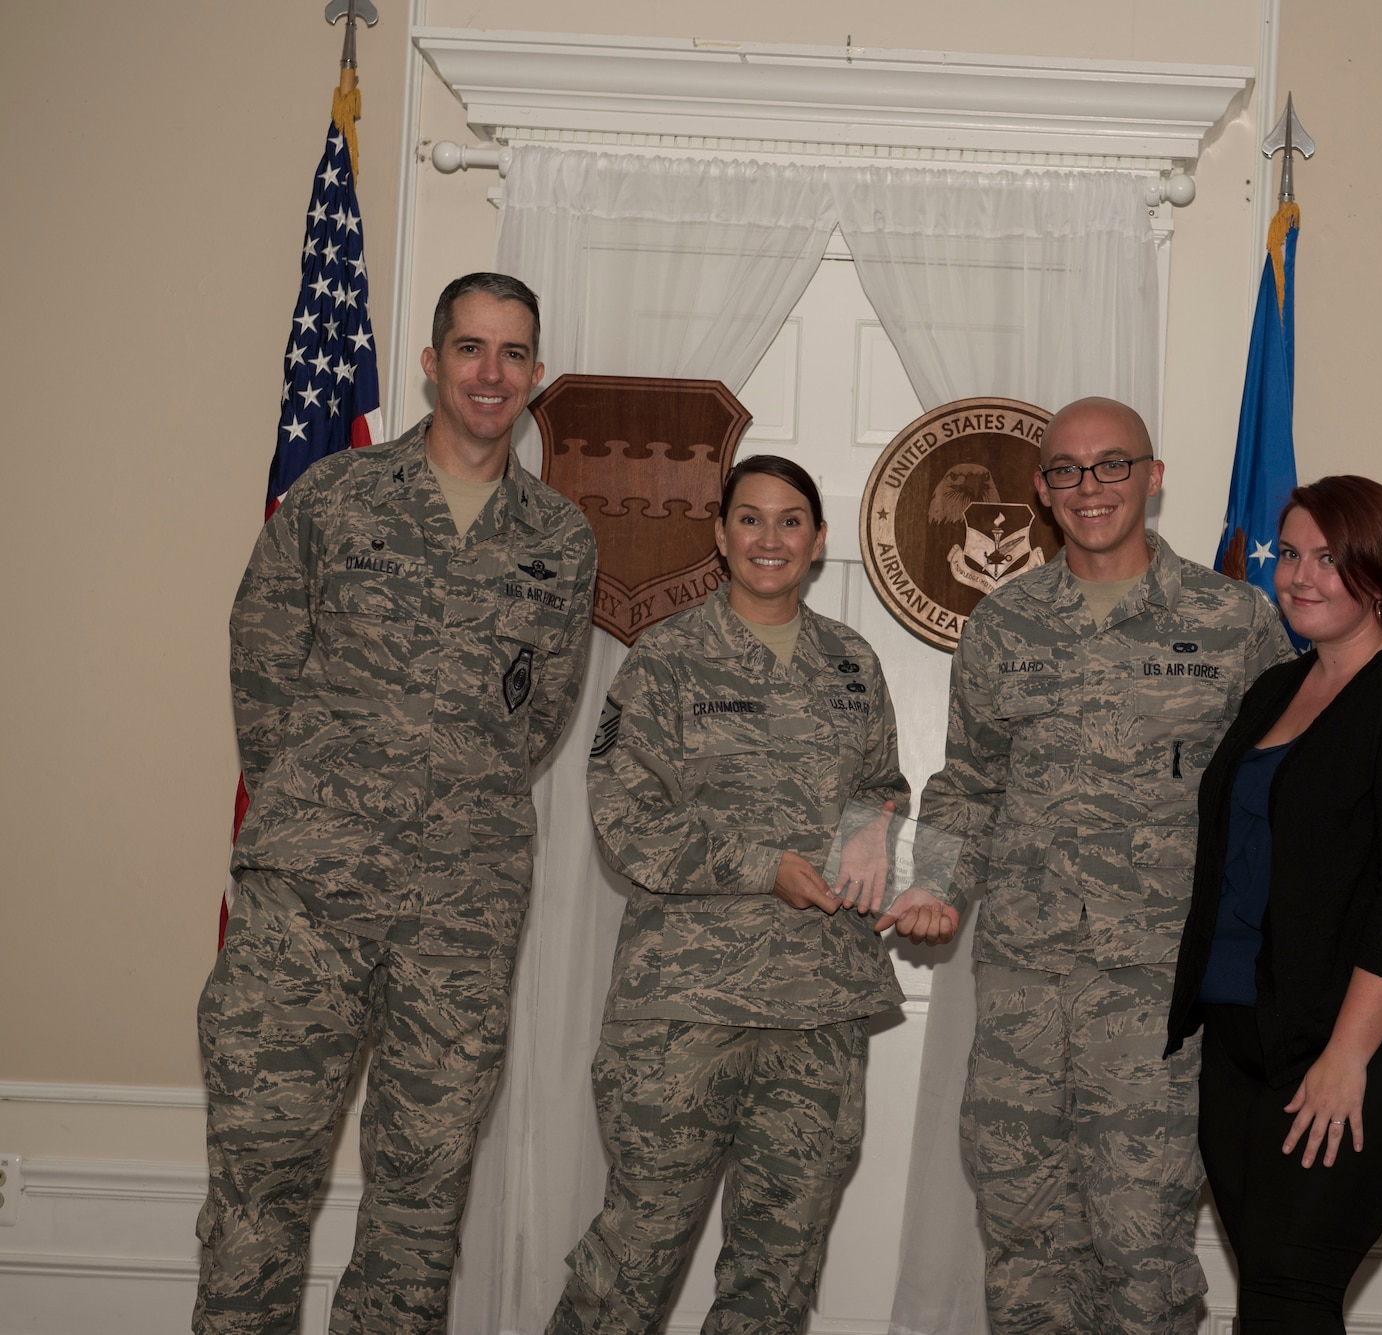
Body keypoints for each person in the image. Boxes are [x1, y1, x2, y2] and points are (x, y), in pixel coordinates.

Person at [200, 273, 598, 1332]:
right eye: (470, 348)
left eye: (513, 355)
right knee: (261, 1181)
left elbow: (540, 710)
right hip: (308, 901)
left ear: (535, 377)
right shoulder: (335, 497)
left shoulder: (558, 540)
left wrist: (451, 801)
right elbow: (263, 658)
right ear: (430, 362)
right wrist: (323, 807)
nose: (489, 373)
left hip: (462, 912)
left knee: (422, 1201)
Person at [547, 456, 957, 1335]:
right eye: (751, 519)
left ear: (816, 541)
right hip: (685, 1009)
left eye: (791, 521)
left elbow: (885, 784)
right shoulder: (666, 658)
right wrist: (760, 864)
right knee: (632, 1260)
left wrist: (874, 820)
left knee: (776, 1276)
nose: (770, 539)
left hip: (819, 1009)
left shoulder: (852, 661)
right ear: (721, 535)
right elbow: (625, 814)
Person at [919, 397, 1294, 1335]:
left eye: (1112, 465)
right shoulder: (1003, 625)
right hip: (1021, 987)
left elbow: (1283, 800)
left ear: (1153, 477)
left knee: (1142, 1243)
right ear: (1043, 492)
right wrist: (932, 881)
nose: (1090, 488)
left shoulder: (1233, 621)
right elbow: (966, 782)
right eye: (1068, 471)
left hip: (1156, 991)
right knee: (1023, 1234)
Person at [1165, 474, 1382, 1332]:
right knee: (1274, 1287)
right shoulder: (1276, 688)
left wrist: (1348, 1056)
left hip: (1380, 1041)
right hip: (1249, 1031)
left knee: (1289, 1287)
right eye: (1292, 555)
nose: (1302, 576)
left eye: (1331, 559)